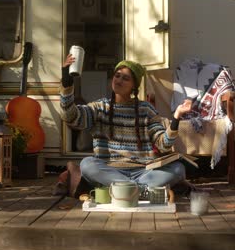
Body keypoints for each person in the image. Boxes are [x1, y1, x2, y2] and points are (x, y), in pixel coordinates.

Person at [58, 55, 193, 197]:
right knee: (87, 164)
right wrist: (67, 82)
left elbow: (163, 144)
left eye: (125, 78)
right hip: (111, 170)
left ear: (134, 85)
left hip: (144, 171)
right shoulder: (100, 107)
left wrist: (177, 117)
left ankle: (127, 190)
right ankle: (139, 191)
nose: (119, 80)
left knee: (178, 169)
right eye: (117, 76)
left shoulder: (145, 109)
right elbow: (70, 116)